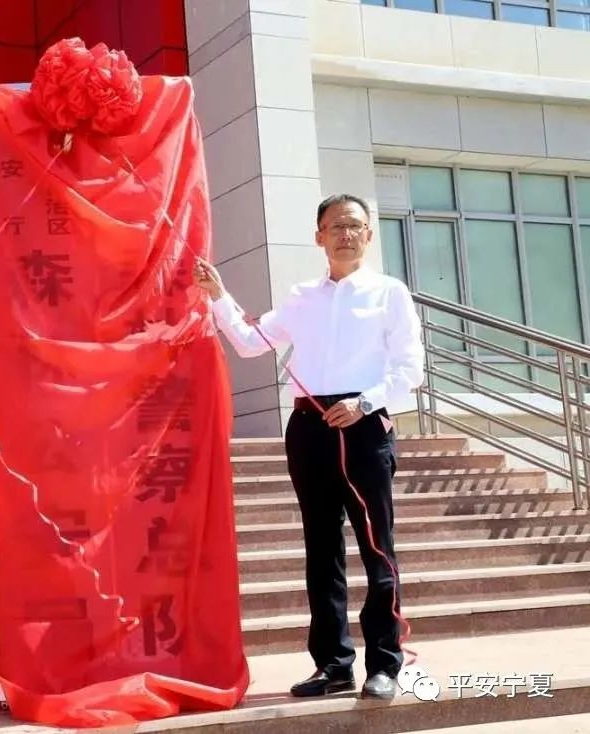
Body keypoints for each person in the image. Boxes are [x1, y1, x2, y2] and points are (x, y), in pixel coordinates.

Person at [194, 194, 424, 700]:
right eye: (336, 226)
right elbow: (251, 341)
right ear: (319, 236)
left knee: (376, 548)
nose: (346, 234)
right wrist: (219, 296)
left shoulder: (389, 294)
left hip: (364, 428)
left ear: (369, 235)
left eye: (355, 225)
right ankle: (333, 664)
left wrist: (364, 403)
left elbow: (411, 369)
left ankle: (384, 665)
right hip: (309, 429)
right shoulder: (302, 297)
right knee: (321, 552)